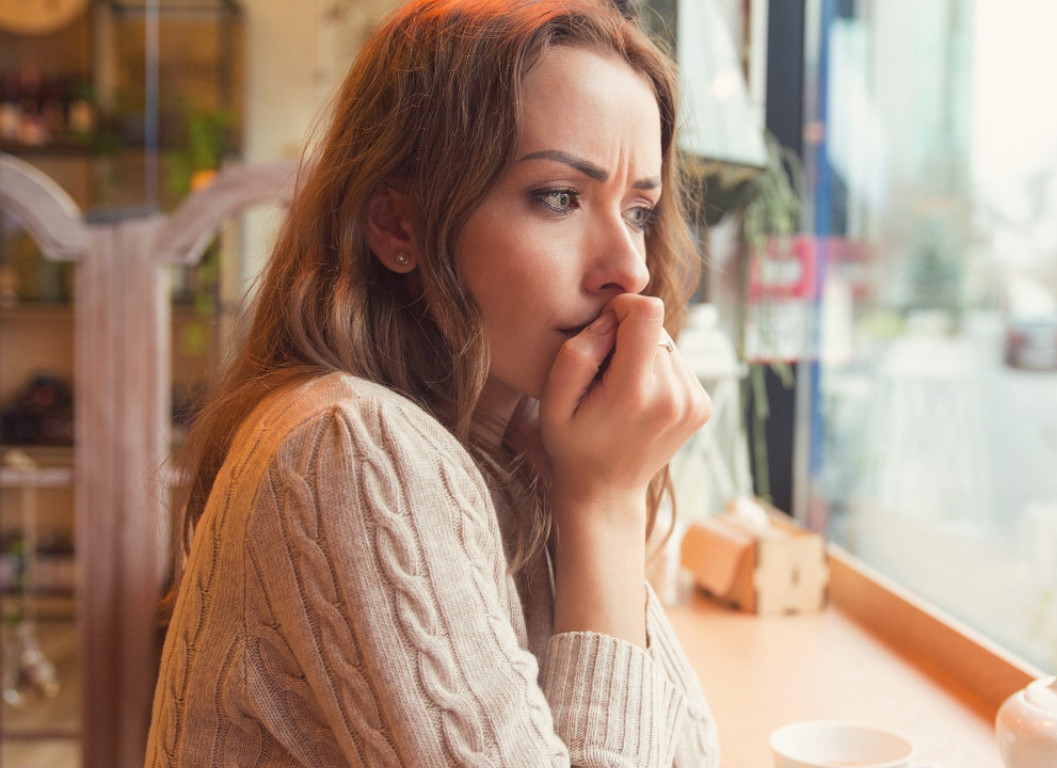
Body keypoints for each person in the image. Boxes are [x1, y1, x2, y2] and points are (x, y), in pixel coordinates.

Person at [144, 1, 720, 766]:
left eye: (640, 209)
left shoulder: (526, 453)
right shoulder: (350, 445)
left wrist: (588, 496)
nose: (631, 268)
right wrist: (607, 507)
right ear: (399, 225)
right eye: (559, 197)